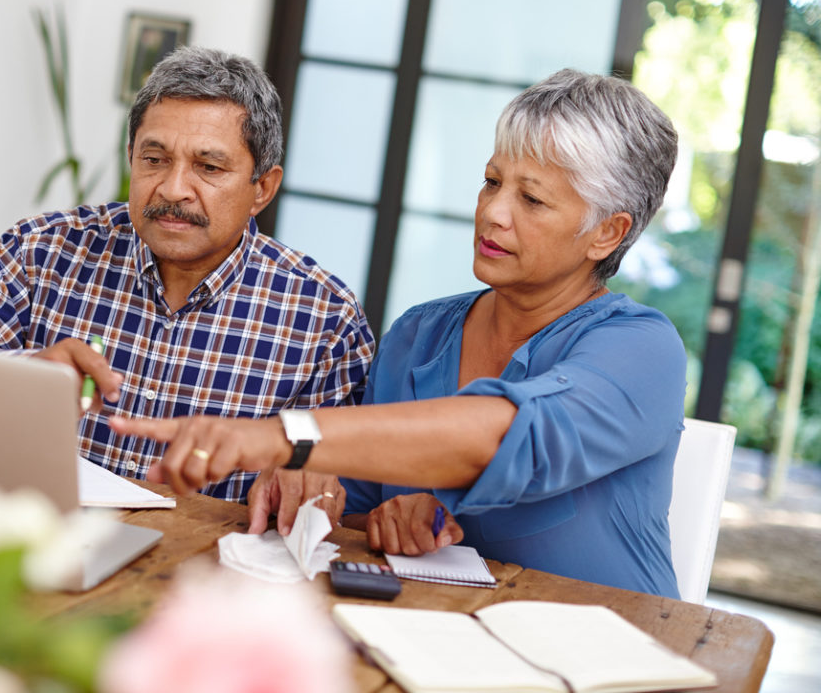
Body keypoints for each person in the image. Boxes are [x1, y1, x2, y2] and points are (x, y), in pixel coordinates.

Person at [110, 68, 686, 597]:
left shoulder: (642, 349)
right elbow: (350, 500)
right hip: (435, 639)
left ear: (607, 234)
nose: (492, 213)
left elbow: (510, 434)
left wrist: (283, 437)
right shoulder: (420, 334)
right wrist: (323, 488)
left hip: (609, 653)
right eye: (491, 182)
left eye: (531, 199)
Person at [0, 46, 375, 529]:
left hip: (198, 578)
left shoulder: (323, 316)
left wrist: (306, 467)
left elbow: (350, 474)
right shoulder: (43, 252)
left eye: (208, 168)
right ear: (131, 157)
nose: (172, 189)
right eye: (154, 159)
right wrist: (19, 372)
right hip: (35, 543)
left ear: (262, 189)